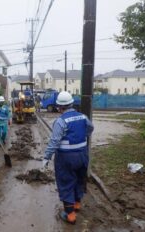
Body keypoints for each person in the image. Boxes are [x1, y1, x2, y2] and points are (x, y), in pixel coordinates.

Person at [42, 91, 94, 224]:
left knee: (66, 182)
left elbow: (54, 141)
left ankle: (70, 215)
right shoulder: (83, 117)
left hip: (66, 158)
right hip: (82, 155)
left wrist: (46, 157)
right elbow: (90, 129)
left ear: (59, 107)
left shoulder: (60, 121)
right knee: (79, 179)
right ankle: (77, 204)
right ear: (72, 104)